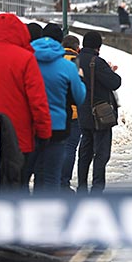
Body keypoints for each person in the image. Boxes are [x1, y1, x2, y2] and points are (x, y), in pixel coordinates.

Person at [0, 13, 52, 189]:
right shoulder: (25, 58)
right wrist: (44, 133)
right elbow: (38, 101)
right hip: (19, 139)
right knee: (16, 188)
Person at [29, 23, 86, 192]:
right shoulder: (68, 66)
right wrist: (80, 78)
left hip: (31, 124)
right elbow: (79, 97)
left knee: (33, 171)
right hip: (58, 126)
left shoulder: (26, 61)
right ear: (60, 41)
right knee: (52, 175)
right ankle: (51, 211)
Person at [77, 31, 121, 194]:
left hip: (83, 111)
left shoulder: (77, 61)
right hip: (99, 113)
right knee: (101, 152)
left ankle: (81, 185)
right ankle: (97, 187)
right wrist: (110, 70)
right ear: (98, 46)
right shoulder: (97, 62)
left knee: (85, 151)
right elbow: (115, 82)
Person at [60, 35, 83, 193]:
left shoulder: (57, 60)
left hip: (56, 110)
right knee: (70, 148)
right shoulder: (77, 62)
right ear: (77, 48)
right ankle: (64, 181)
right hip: (74, 112)